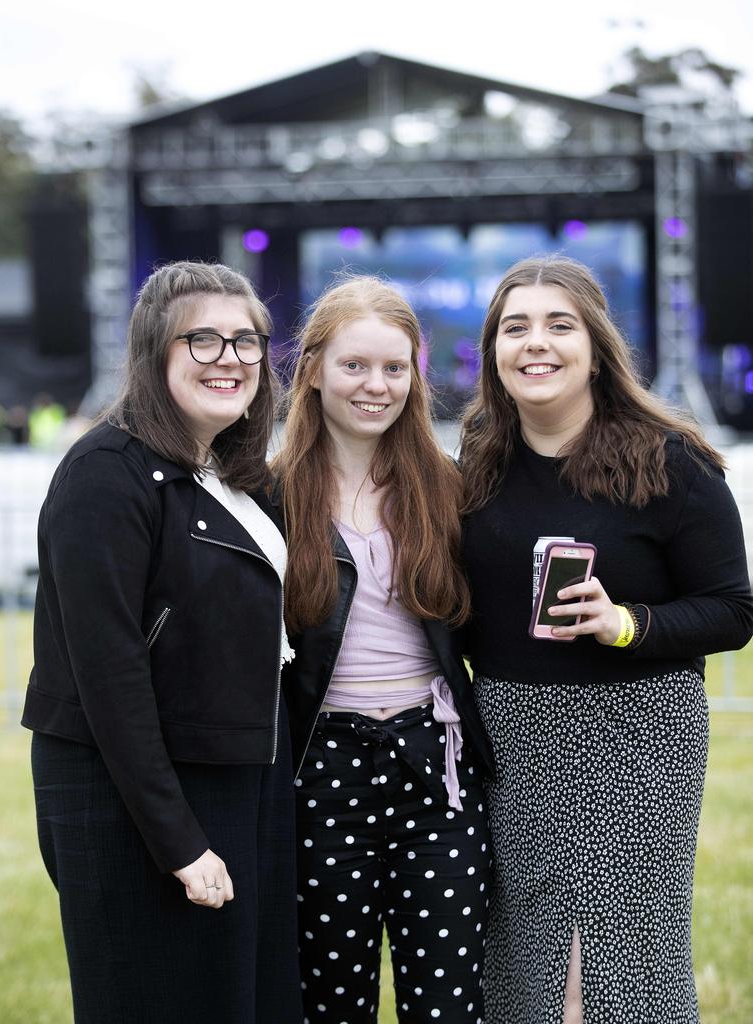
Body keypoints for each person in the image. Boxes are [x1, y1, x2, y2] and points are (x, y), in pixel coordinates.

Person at [458, 255, 753, 1024]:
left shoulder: (670, 460)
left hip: (638, 734)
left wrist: (625, 623)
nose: (536, 343)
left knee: (617, 958)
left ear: (596, 345)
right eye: (515, 326)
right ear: (493, 349)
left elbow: (733, 610)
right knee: (523, 952)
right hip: (512, 738)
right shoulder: (478, 460)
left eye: (560, 325)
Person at [22, 261, 302, 1024]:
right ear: (154, 351)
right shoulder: (104, 475)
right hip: (134, 795)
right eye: (203, 340)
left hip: (239, 777)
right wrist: (177, 839)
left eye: (246, 341)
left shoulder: (238, 475)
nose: (231, 358)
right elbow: (109, 676)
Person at [275, 276, 494, 1024]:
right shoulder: (269, 498)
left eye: (395, 368)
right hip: (321, 770)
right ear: (311, 369)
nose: (377, 386)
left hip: (436, 766)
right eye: (355, 366)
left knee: (448, 1004)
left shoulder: (449, 487)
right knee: (331, 1003)